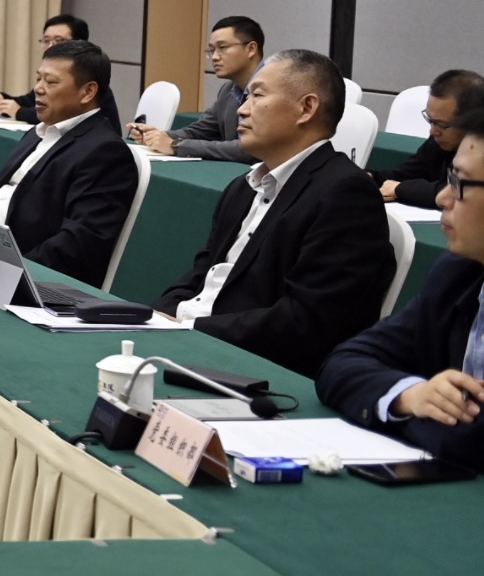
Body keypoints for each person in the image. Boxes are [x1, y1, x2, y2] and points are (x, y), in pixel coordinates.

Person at [153, 50, 394, 377]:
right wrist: (160, 315)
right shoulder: (243, 186)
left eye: (258, 96)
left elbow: (306, 321)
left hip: (254, 368)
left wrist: (189, 328)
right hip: (193, 340)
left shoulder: (345, 194)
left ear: (306, 108)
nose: (242, 109)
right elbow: (202, 271)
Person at [315, 102, 484, 466]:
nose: (442, 197)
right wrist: (410, 396)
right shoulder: (458, 274)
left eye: (459, 183)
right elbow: (342, 363)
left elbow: (471, 443)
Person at [0, 39, 139, 287]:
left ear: (88, 92)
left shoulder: (105, 152)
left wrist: (14, 274)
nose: (38, 89)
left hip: (29, 280)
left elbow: (80, 242)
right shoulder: (36, 133)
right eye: (38, 79)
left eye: (51, 82)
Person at [129, 16, 263, 163]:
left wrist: (176, 145)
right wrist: (157, 136)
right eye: (211, 50)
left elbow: (254, 147)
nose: (214, 57)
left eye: (222, 48)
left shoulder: (273, 89)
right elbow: (200, 131)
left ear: (251, 49)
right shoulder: (228, 90)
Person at [374, 70, 484, 207]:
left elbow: (460, 193)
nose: (433, 131)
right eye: (430, 120)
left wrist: (400, 189)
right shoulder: (439, 142)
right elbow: (403, 174)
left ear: (473, 122)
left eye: (442, 125)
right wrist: (369, 179)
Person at [0, 14, 86, 124]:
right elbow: (28, 101)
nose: (50, 47)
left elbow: (65, 112)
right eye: (46, 41)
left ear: (79, 44)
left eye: (59, 41)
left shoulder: (88, 75)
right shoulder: (48, 73)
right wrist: (1, 98)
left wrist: (20, 113)